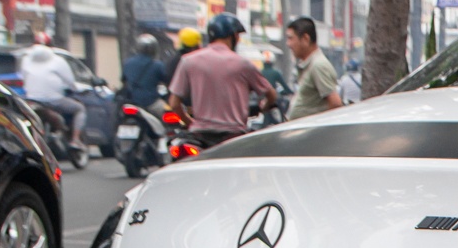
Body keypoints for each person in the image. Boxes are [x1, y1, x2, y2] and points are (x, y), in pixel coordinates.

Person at [168, 14, 275, 148]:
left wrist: (191, 123)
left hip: (200, 136)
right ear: (234, 36)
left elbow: (174, 103)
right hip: (234, 136)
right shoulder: (243, 64)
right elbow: (271, 95)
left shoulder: (188, 61)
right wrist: (262, 108)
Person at [18, 34, 86, 144]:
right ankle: (75, 139)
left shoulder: (25, 60)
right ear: (51, 46)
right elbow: (70, 82)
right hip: (54, 100)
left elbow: (23, 77)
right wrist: (75, 89)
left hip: (32, 99)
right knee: (79, 109)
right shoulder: (58, 61)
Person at [284, 16, 341, 119]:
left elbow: (335, 104)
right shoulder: (310, 64)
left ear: (305, 39)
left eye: (291, 38)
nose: (288, 44)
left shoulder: (318, 65)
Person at [120, 34, 165, 108]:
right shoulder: (158, 65)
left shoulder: (128, 63)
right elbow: (167, 81)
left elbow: (124, 80)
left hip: (131, 102)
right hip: (151, 102)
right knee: (169, 115)